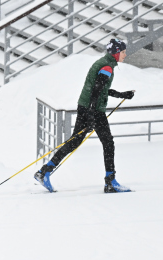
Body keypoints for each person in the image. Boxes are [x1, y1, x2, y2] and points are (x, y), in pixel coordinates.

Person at [34, 39, 135, 193]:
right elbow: (96, 90)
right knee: (108, 143)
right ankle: (110, 182)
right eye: (123, 52)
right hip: (93, 110)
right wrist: (93, 114)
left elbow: (100, 89)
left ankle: (45, 171)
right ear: (116, 53)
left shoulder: (104, 63)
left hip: (85, 107)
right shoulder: (107, 67)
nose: (125, 55)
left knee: (74, 141)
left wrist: (121, 94)